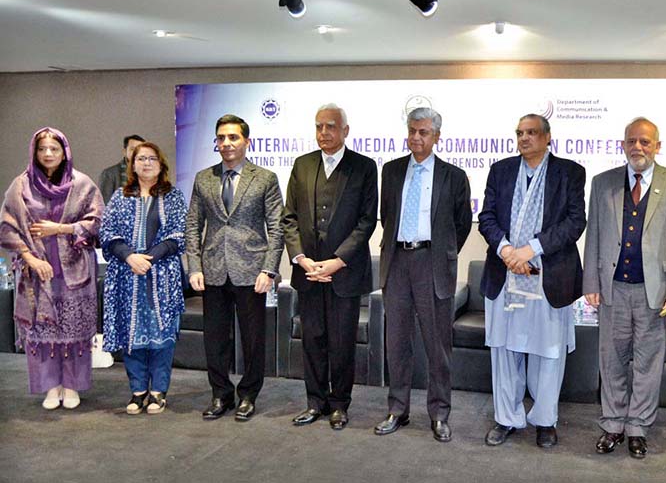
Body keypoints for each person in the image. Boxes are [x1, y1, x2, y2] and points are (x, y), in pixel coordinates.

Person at [583, 117, 666, 458]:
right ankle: (613, 424)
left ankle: (638, 427)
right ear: (623, 145)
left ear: (657, 146)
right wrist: (590, 282)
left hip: (655, 293)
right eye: (631, 141)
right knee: (612, 361)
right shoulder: (603, 183)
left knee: (648, 363)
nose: (638, 147)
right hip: (612, 289)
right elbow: (594, 237)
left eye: (645, 142)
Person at [478, 114, 586, 448]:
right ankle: (506, 418)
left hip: (550, 276)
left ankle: (545, 420)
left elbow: (574, 222)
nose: (525, 138)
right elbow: (487, 218)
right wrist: (508, 250)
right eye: (520, 133)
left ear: (548, 137)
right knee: (505, 351)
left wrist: (531, 250)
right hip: (504, 272)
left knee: (548, 352)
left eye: (532, 132)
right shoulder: (501, 170)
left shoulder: (569, 172)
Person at [373, 107, 472, 442]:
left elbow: (460, 224)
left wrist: (442, 253)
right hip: (398, 261)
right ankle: (397, 410)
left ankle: (439, 414)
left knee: (437, 345)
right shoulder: (391, 171)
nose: (416, 137)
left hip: (433, 263)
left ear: (437, 136)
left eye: (424, 132)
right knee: (397, 342)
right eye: (412, 131)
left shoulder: (454, 176)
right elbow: (387, 216)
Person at [281, 104, 378, 430]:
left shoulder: (364, 168)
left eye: (331, 127)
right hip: (308, 272)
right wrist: (301, 258)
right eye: (319, 126)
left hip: (344, 273)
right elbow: (289, 217)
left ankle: (339, 404)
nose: (324, 132)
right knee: (312, 341)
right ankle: (315, 402)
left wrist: (336, 262)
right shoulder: (302, 164)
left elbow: (366, 222)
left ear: (345, 130)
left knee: (341, 343)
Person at [186, 114, 284, 422]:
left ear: (246, 141)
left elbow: (277, 227)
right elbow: (193, 224)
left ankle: (248, 395)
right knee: (214, 338)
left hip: (251, 271)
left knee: (253, 339)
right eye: (221, 138)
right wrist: (194, 267)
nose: (226, 143)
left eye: (233, 137)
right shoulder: (204, 178)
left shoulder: (265, 178)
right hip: (213, 270)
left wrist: (268, 270)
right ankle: (220, 394)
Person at [0, 127, 103, 410]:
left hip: (75, 270)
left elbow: (97, 222)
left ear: (64, 152)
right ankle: (50, 387)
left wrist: (62, 228)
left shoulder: (82, 184)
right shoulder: (20, 185)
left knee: (73, 330)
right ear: (34, 152)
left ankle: (71, 386)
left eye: (54, 149)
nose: (48, 154)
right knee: (43, 331)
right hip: (36, 273)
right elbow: (8, 228)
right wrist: (31, 259)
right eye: (42, 149)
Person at [100, 142, 187, 415]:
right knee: (131, 334)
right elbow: (107, 233)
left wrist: (149, 258)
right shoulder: (119, 197)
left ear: (161, 165)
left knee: (162, 336)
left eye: (152, 158)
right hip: (127, 276)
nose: (146, 163)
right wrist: (129, 256)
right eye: (141, 159)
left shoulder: (173, 197)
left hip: (162, 277)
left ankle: (158, 392)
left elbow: (178, 234)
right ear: (132, 164)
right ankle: (138, 391)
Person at [99, 134, 145, 203]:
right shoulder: (109, 174)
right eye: (132, 149)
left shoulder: (148, 174)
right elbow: (104, 205)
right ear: (124, 152)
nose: (136, 153)